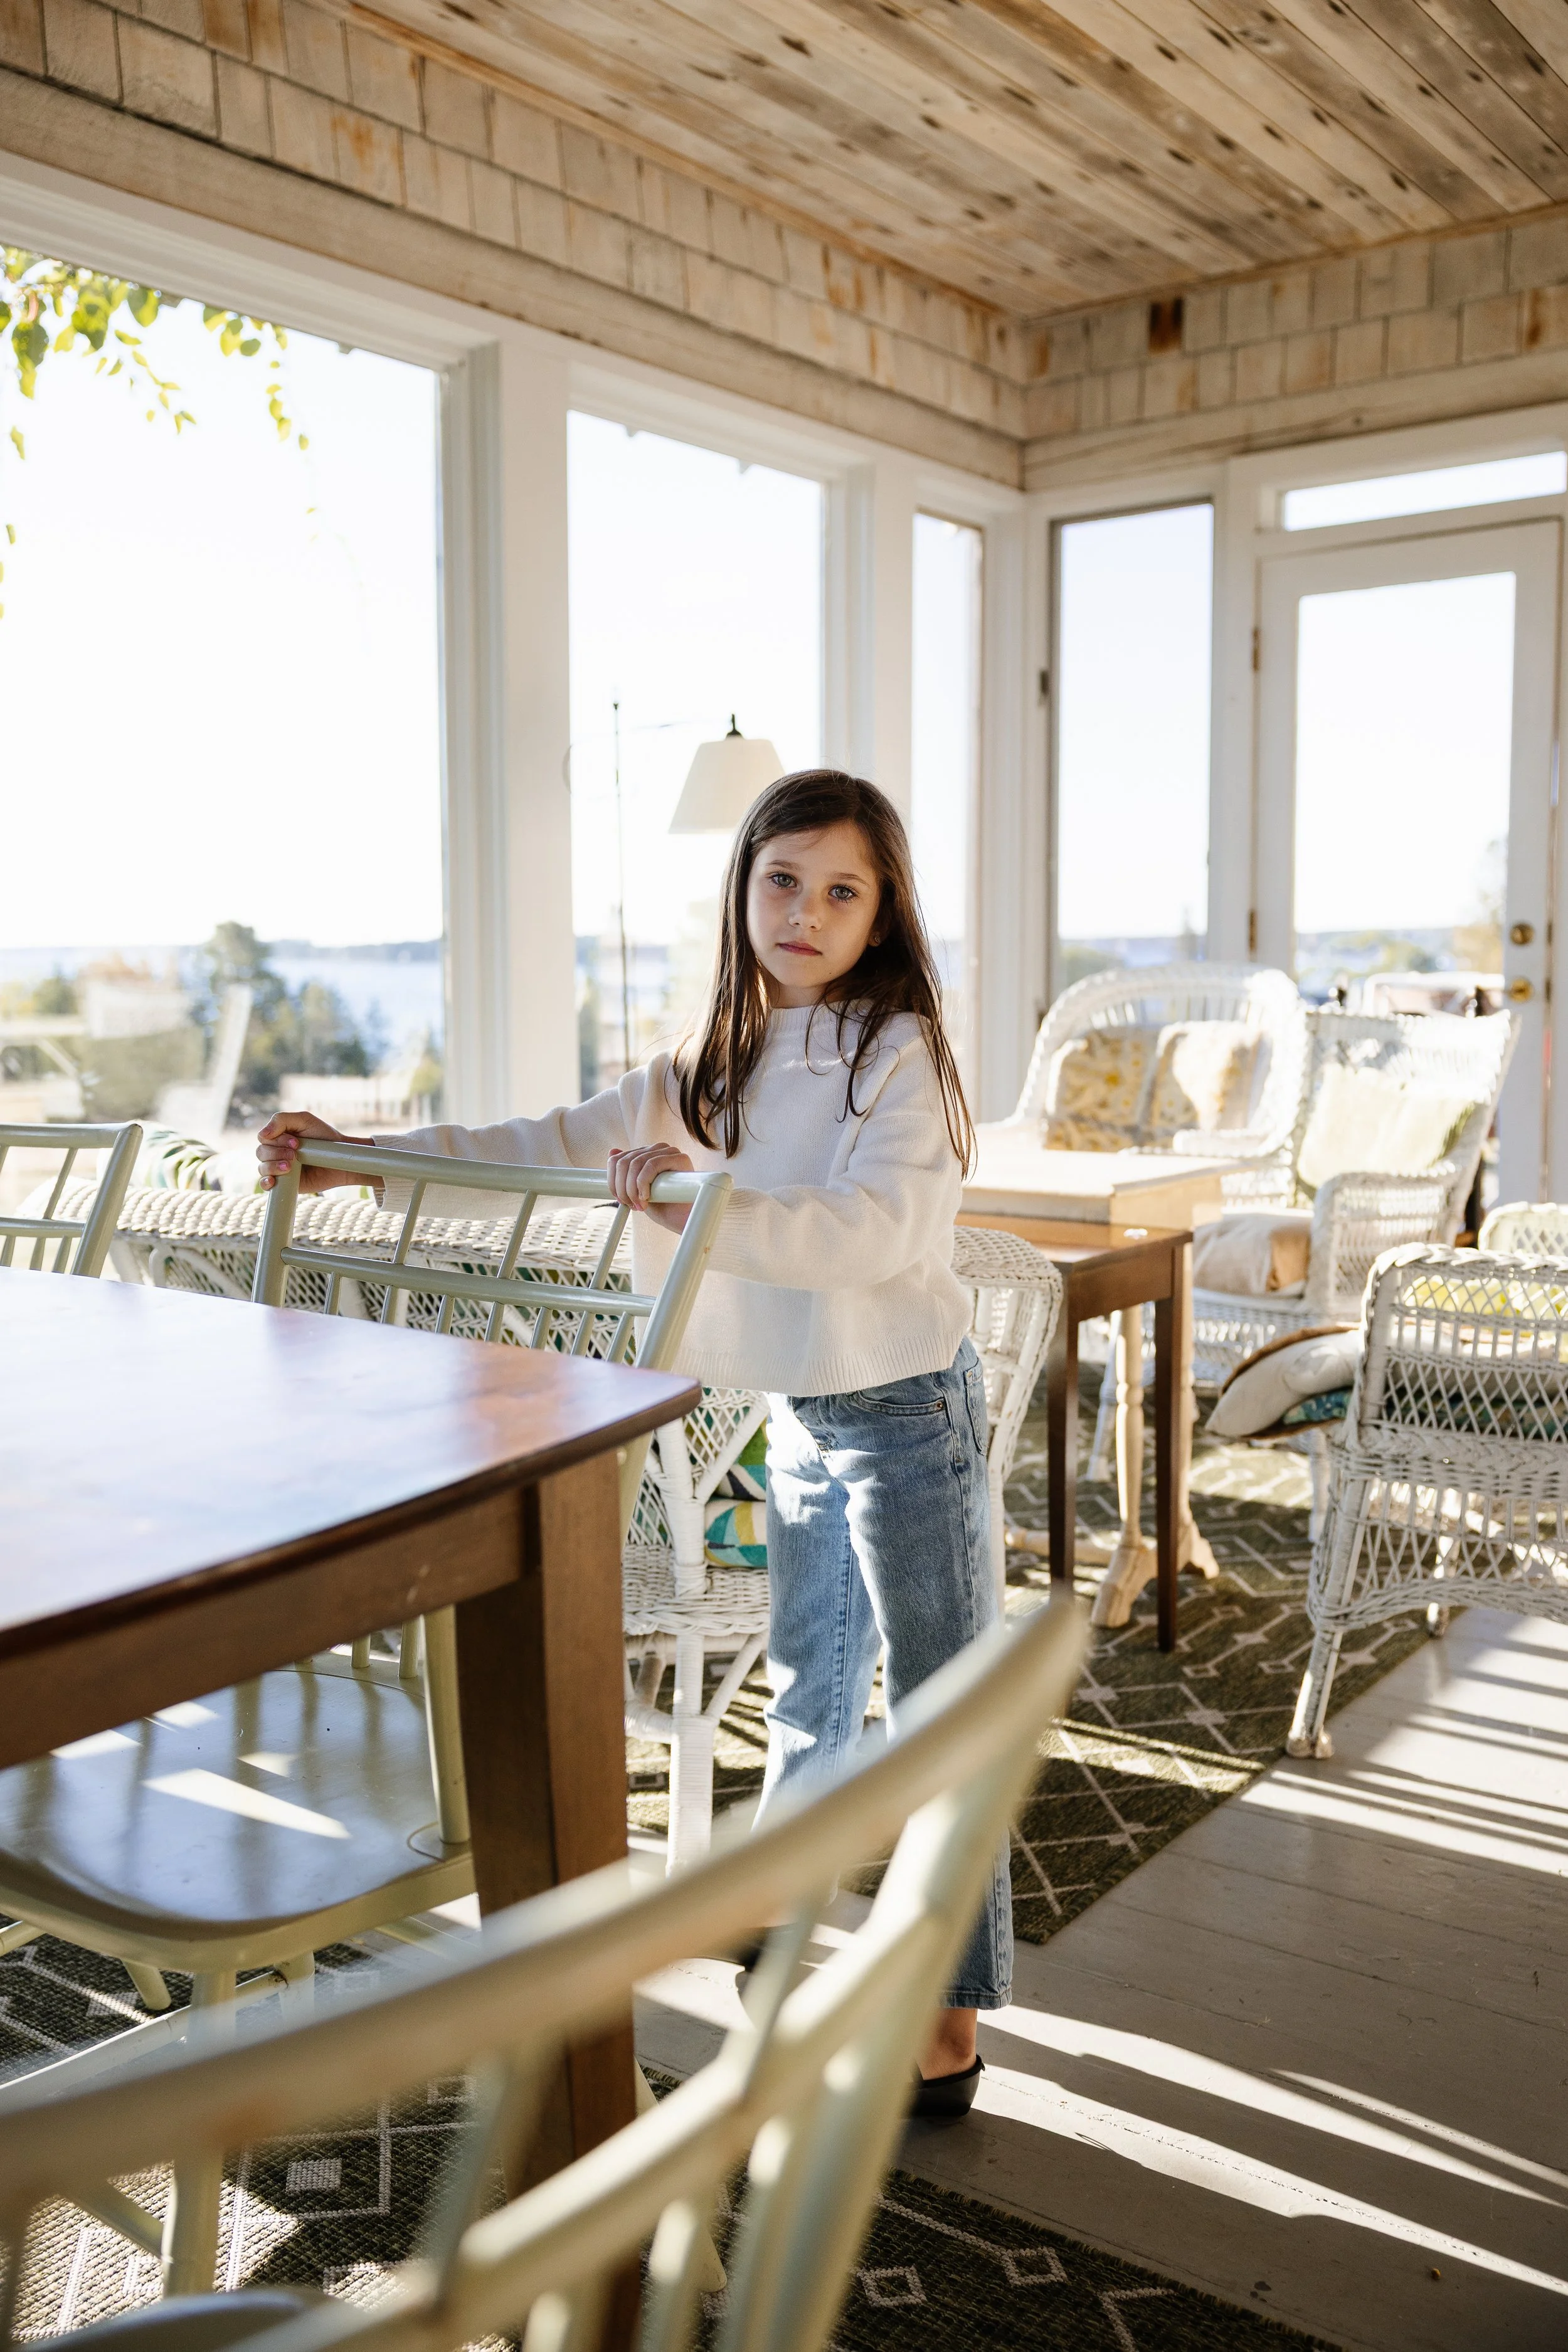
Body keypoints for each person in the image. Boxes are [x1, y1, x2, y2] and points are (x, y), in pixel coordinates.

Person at [257, 768, 1007, 2117]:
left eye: (841, 890)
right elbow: (540, 1146)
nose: (806, 911)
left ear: (881, 910)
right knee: (807, 1691)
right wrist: (361, 1155)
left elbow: (868, 1236)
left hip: (902, 1409)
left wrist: (689, 1203)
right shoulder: (702, 1062)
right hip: (795, 1408)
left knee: (942, 1714)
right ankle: (782, 1925)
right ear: (743, 890)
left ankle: (948, 2016)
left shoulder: (900, 1058)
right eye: (782, 880)